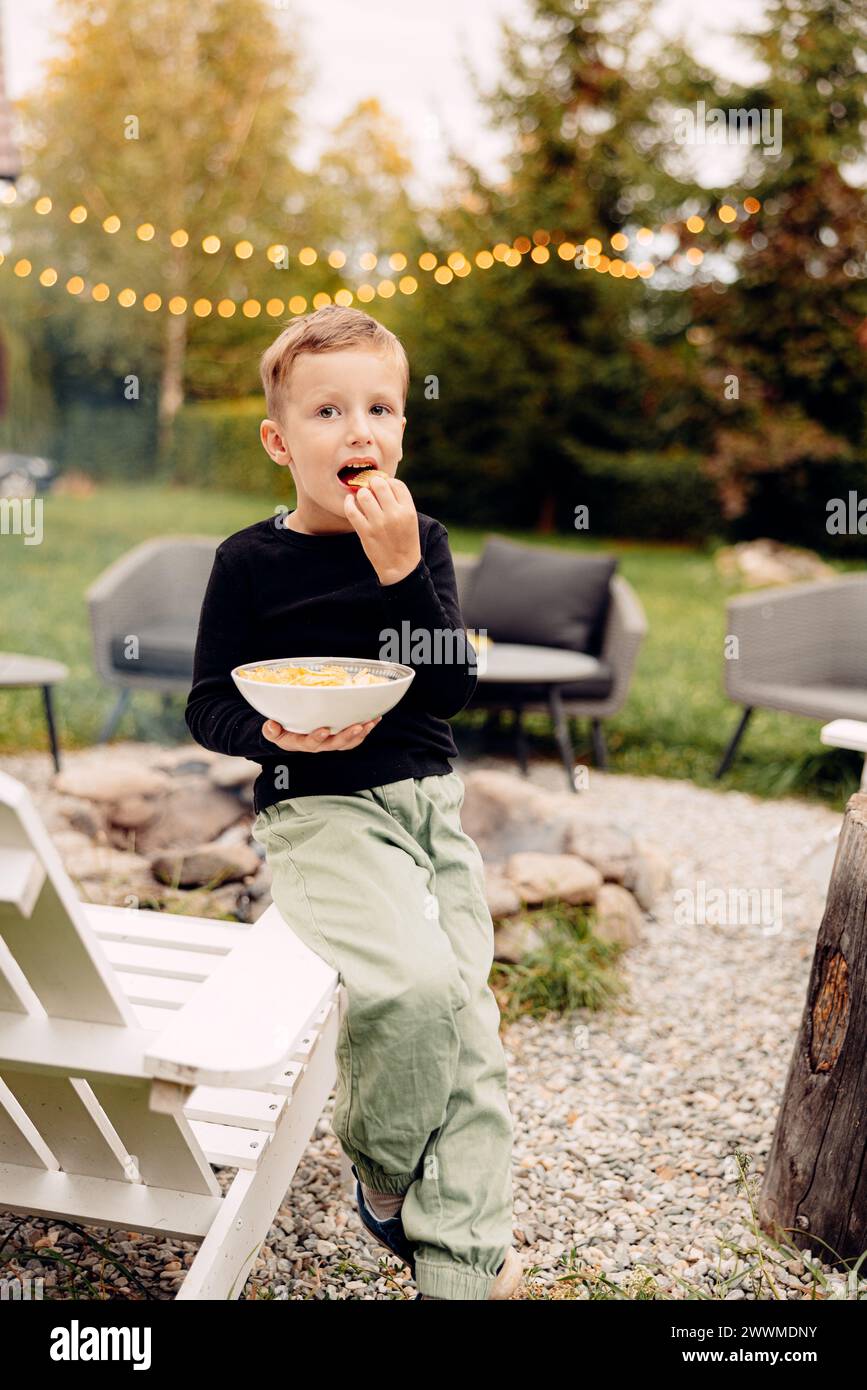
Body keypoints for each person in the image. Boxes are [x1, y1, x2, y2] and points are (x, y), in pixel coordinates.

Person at [185, 304, 520, 1301]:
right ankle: (384, 1171)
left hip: (429, 803)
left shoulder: (423, 543)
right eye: (330, 411)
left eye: (381, 407)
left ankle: (461, 1266)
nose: (360, 430)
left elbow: (450, 688)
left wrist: (403, 574)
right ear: (282, 441)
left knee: (469, 1025)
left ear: (405, 431)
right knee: (416, 989)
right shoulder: (248, 562)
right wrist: (272, 733)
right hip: (319, 808)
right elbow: (209, 704)